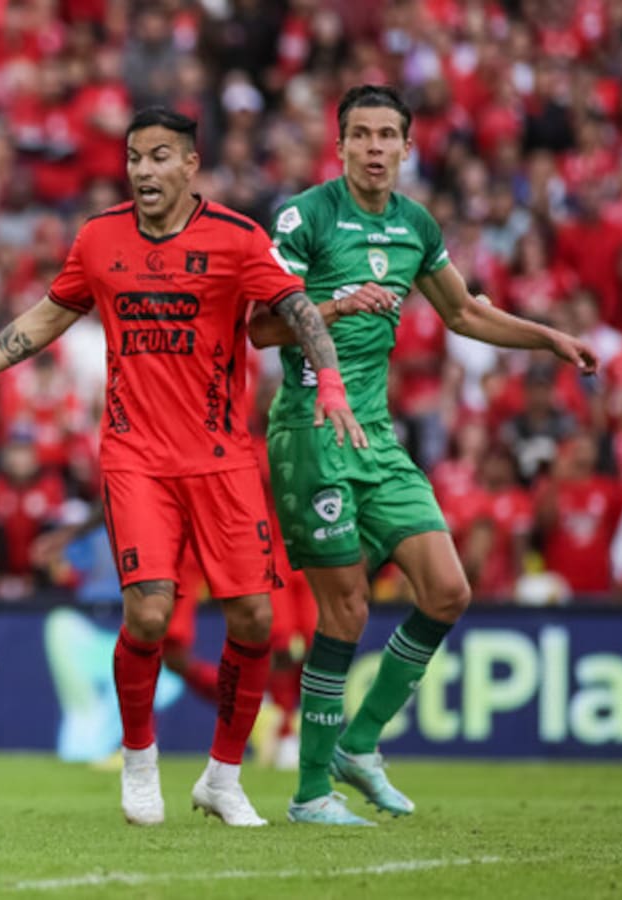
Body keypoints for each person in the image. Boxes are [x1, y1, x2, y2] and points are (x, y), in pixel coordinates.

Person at [0, 107, 363, 826]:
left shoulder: (237, 239)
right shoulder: (99, 238)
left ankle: (222, 777)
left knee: (256, 619)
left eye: (159, 156)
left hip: (222, 458)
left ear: (190, 165)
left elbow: (294, 311)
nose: (143, 170)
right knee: (146, 614)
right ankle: (139, 762)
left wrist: (329, 381)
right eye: (135, 157)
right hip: (134, 455)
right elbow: (47, 317)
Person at [249, 84, 597, 825]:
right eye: (361, 135)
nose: (375, 148)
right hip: (311, 432)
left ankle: (360, 743)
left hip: (376, 436)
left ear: (408, 148)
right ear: (338, 144)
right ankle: (311, 792)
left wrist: (549, 337)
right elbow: (256, 327)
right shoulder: (303, 217)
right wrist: (337, 305)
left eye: (388, 136)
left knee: (448, 591)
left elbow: (465, 311)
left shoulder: (415, 225)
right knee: (343, 610)